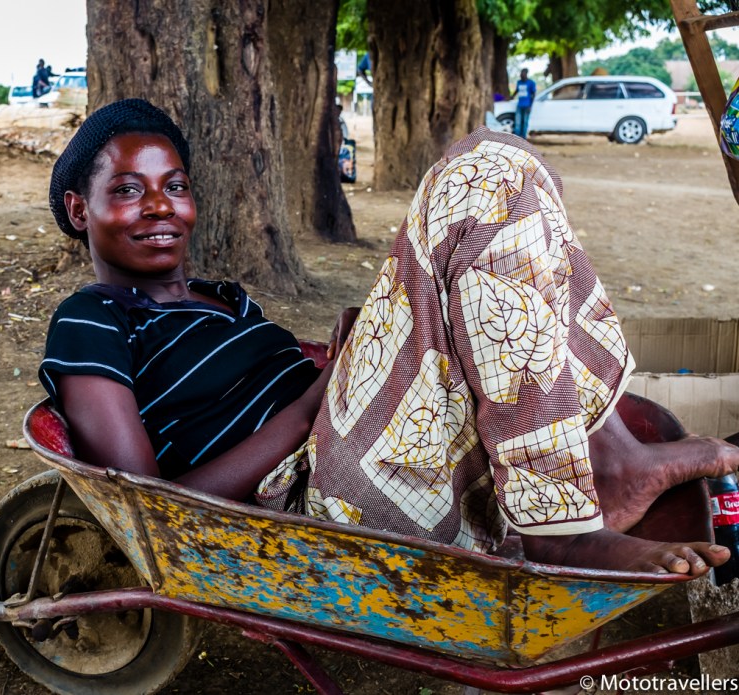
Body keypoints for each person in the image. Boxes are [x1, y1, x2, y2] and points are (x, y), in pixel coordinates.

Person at [41, 98, 739, 578]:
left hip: (356, 438)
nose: (161, 204)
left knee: (505, 168)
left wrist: (354, 354)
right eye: (130, 189)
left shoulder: (224, 298)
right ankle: (566, 528)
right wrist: (317, 399)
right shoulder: (93, 317)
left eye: (176, 184)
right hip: (308, 498)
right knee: (477, 177)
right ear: (80, 208)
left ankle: (609, 457)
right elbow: (148, 504)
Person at [511, 68, 536, 139]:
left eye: (522, 74)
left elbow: (533, 94)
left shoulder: (531, 83)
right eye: (520, 74)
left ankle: (523, 137)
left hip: (527, 105)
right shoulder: (519, 82)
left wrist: (531, 106)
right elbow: (517, 90)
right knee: (518, 121)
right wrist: (512, 96)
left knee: (525, 122)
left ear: (526, 74)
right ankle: (516, 137)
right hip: (519, 104)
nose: (521, 75)